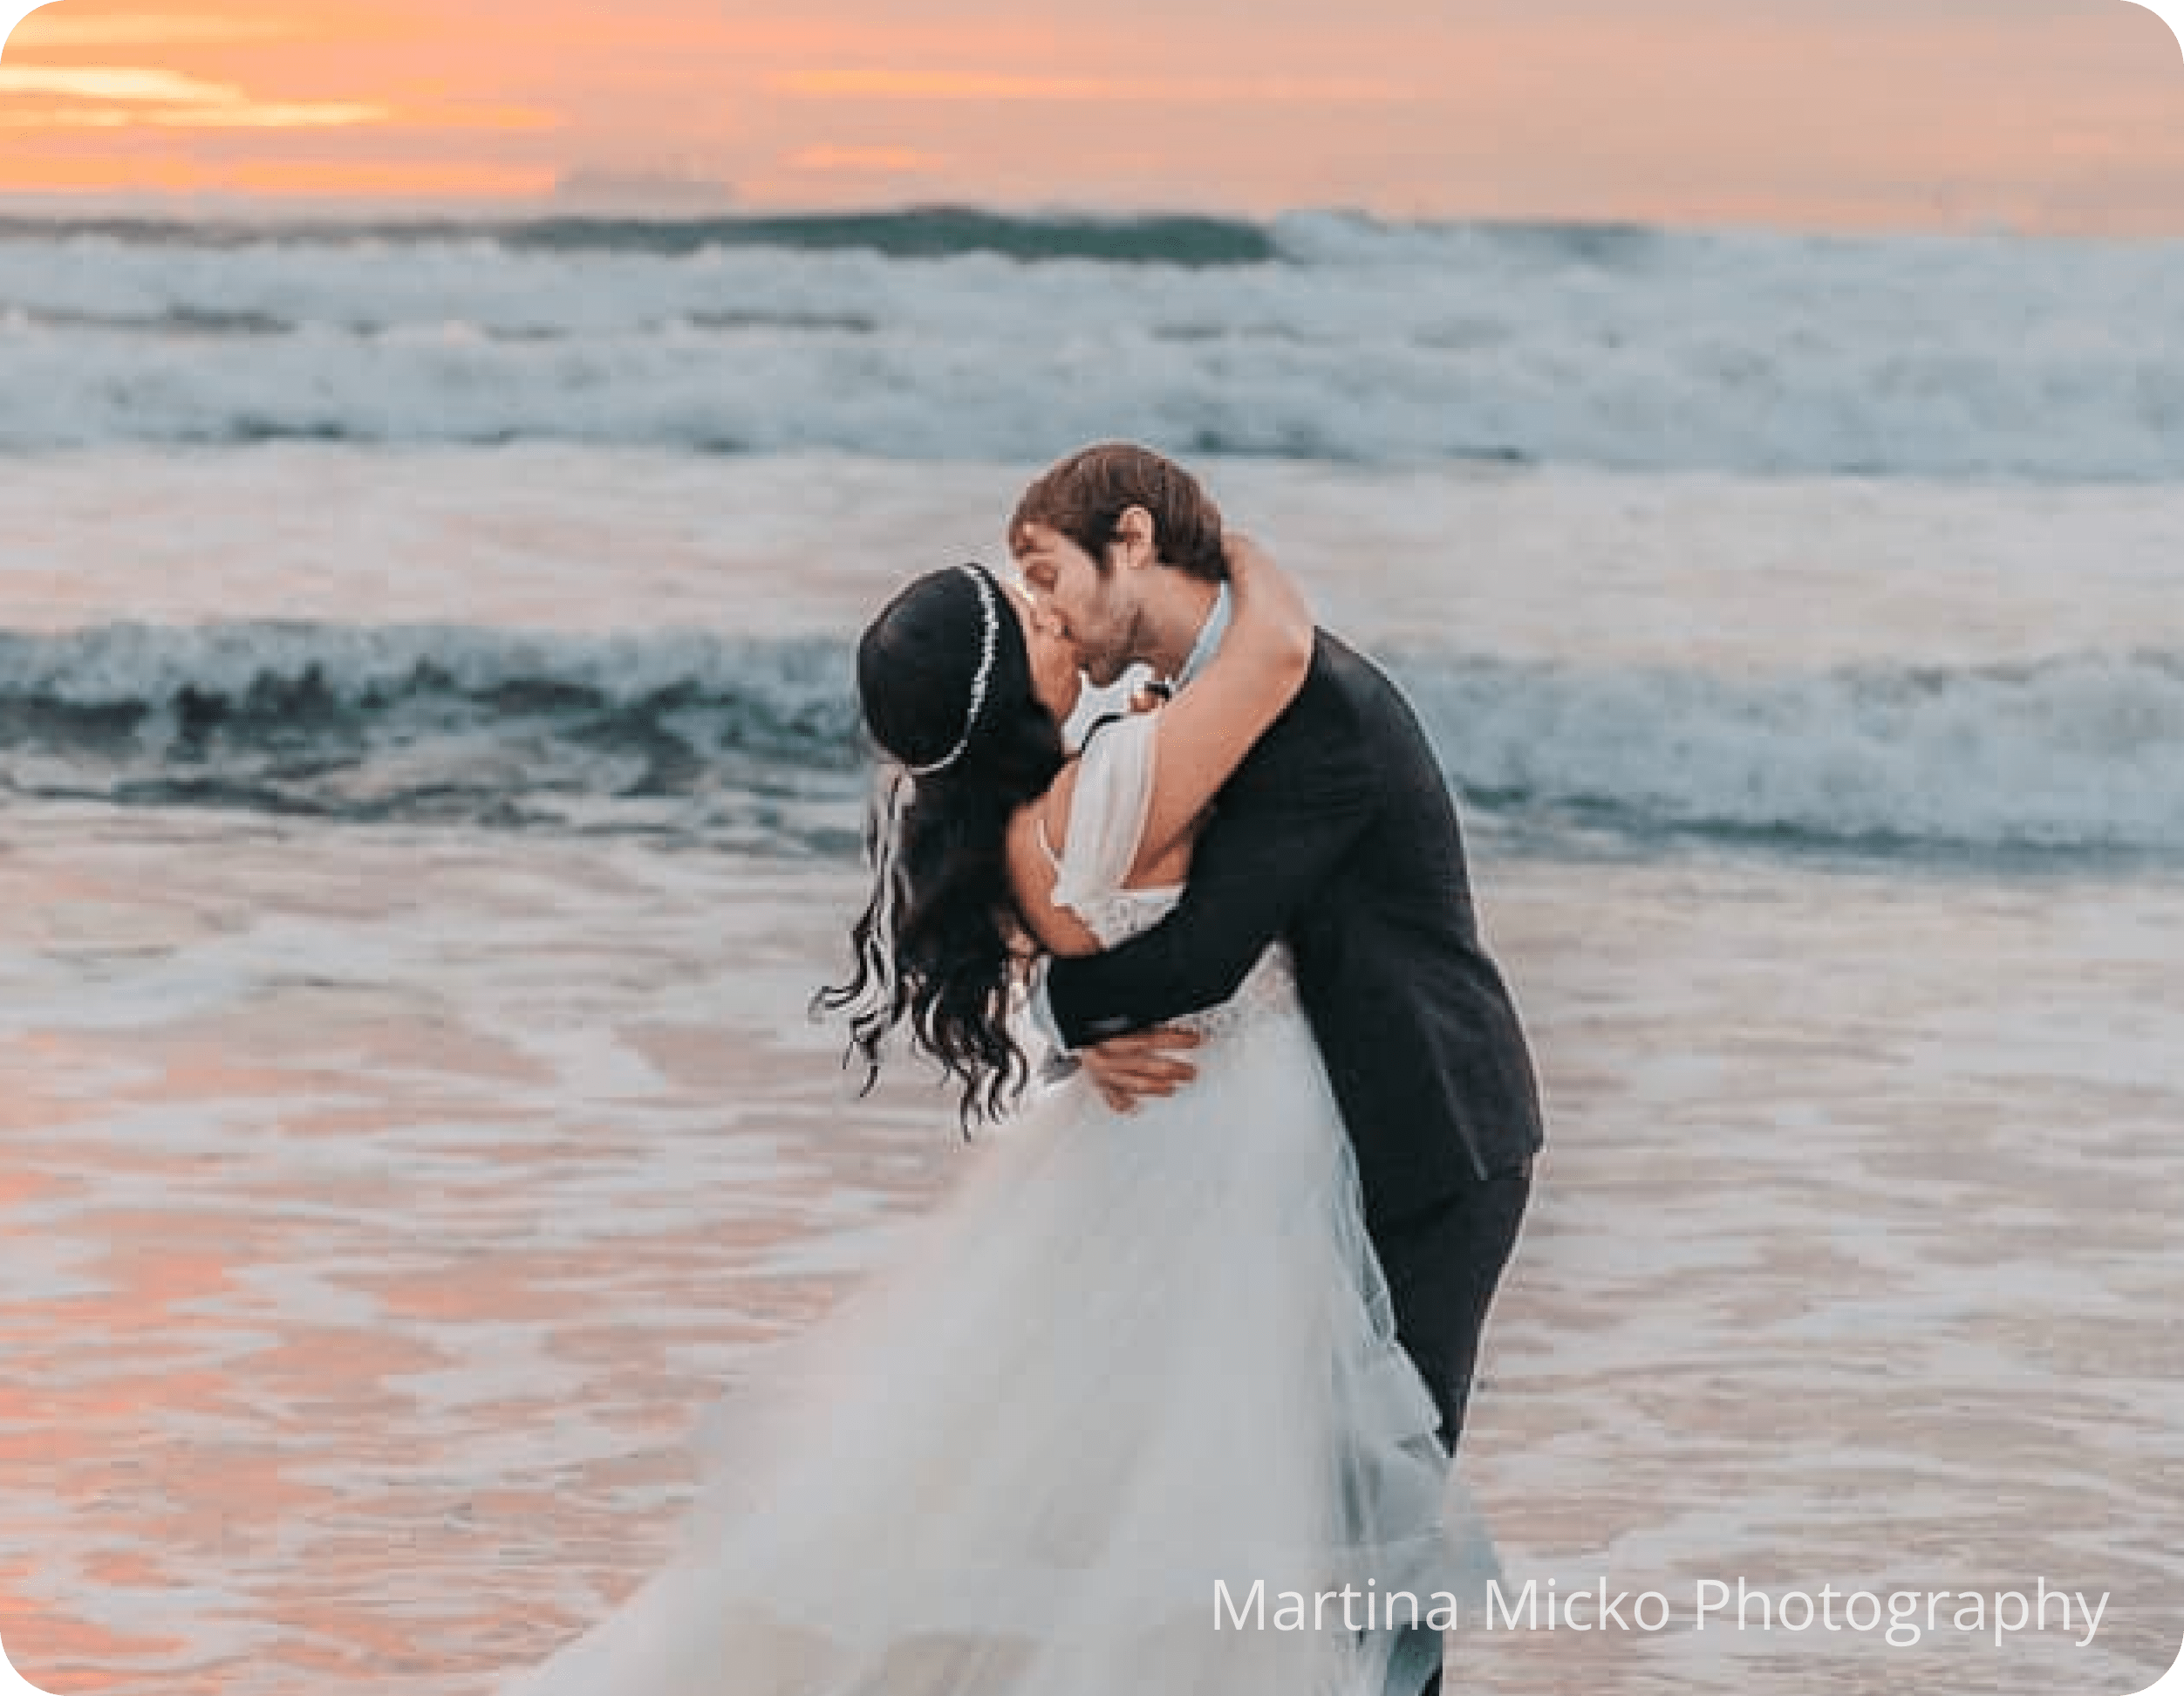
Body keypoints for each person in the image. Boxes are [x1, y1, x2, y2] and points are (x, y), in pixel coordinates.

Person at [495, 530, 1480, 1696]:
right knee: (1236, 1492)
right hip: (1231, 1131)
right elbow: (1269, 658)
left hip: (1139, 1133)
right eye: (1038, 625)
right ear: (1014, 689)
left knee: (1106, 1480)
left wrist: (1079, 1025)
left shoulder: (1008, 825)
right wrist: (1207, 540)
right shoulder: (1117, 782)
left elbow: (1095, 951)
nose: (1061, 619)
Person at [1015, 443, 1546, 1695]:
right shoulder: (1230, 695)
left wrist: (1051, 1002)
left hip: (1432, 1140)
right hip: (1321, 1139)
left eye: (1049, 575)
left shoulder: (1317, 718)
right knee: (1295, 1507)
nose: (1048, 614)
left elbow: (1202, 958)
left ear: (1132, 542)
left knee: (1376, 1521)